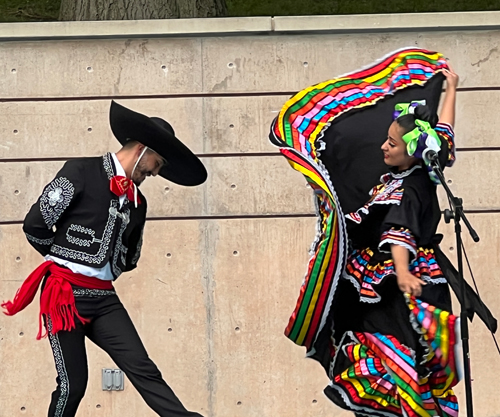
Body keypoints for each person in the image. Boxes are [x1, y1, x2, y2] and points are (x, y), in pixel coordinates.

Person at [2, 101, 207, 417]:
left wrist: (109, 259)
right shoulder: (81, 170)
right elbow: (35, 224)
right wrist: (64, 261)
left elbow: (130, 257)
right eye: (158, 161)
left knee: (143, 369)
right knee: (73, 385)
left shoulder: (138, 202)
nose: (157, 170)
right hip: (64, 295)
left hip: (104, 300)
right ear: (141, 148)